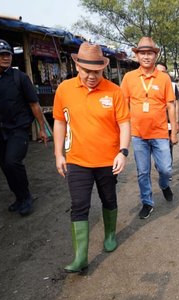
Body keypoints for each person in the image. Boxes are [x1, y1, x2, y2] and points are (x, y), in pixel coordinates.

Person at [52, 42, 130, 273]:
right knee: (79, 205)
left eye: (97, 71)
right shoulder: (64, 89)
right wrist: (58, 154)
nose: (92, 76)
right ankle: (80, 257)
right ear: (77, 66)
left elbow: (124, 124)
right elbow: (59, 122)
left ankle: (109, 236)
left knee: (108, 199)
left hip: (108, 160)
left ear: (103, 69)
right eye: (87, 71)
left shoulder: (114, 91)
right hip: (77, 159)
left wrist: (123, 152)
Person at [0, 39, 49, 216]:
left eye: (8, 54)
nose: (6, 57)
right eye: (1, 54)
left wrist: (42, 128)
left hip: (18, 129)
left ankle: (26, 197)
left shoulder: (20, 78)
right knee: (5, 166)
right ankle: (18, 197)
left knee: (12, 161)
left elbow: (34, 105)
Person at [121, 37, 178, 219]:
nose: (146, 57)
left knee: (166, 169)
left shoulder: (163, 78)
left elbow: (171, 106)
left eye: (150, 53)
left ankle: (163, 185)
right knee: (142, 172)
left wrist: (174, 131)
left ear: (155, 55)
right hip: (138, 134)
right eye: (142, 53)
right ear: (137, 56)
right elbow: (123, 104)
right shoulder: (129, 78)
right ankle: (147, 202)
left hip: (160, 133)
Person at [156, 62, 179, 162]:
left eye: (163, 71)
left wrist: (177, 121)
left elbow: (177, 104)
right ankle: (161, 166)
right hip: (155, 123)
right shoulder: (148, 85)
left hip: (169, 122)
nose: (160, 74)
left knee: (168, 147)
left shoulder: (173, 86)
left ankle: (167, 168)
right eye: (158, 71)